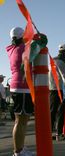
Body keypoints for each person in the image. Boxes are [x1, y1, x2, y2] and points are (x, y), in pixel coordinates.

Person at [6, 27, 34, 156]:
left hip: (19, 86)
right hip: (22, 87)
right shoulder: (23, 48)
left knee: (23, 120)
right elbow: (35, 50)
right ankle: (17, 151)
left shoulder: (12, 48)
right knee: (20, 121)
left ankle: (21, 148)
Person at [49, 43, 65, 140]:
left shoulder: (52, 60)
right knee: (61, 111)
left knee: (52, 111)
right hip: (64, 89)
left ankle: (48, 132)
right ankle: (58, 134)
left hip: (52, 88)